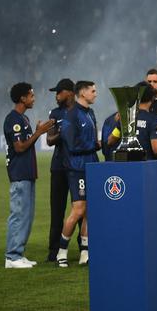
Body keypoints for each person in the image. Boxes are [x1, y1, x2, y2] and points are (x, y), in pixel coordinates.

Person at [4, 83, 55, 268]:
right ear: (22, 98)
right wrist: (39, 133)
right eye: (31, 95)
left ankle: (18, 253)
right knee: (19, 215)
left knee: (26, 216)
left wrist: (36, 131)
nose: (34, 98)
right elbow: (19, 148)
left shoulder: (23, 118)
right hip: (19, 174)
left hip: (27, 173)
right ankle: (12, 257)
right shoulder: (13, 119)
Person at [57, 80, 100, 268]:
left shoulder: (90, 113)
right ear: (82, 93)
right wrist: (95, 145)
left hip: (91, 165)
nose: (95, 94)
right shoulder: (72, 115)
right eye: (93, 91)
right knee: (78, 210)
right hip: (77, 168)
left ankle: (85, 252)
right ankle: (61, 252)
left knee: (90, 210)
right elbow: (72, 144)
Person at [45, 78, 77, 263]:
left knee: (80, 210)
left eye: (59, 92)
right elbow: (49, 140)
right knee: (57, 211)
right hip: (58, 167)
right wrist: (63, 132)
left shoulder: (81, 111)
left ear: (70, 92)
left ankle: (84, 249)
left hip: (76, 166)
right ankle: (53, 251)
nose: (56, 96)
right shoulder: (54, 113)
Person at [104, 83, 157, 159]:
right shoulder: (153, 119)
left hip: (127, 163)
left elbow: (110, 141)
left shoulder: (126, 117)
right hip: (146, 164)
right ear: (153, 98)